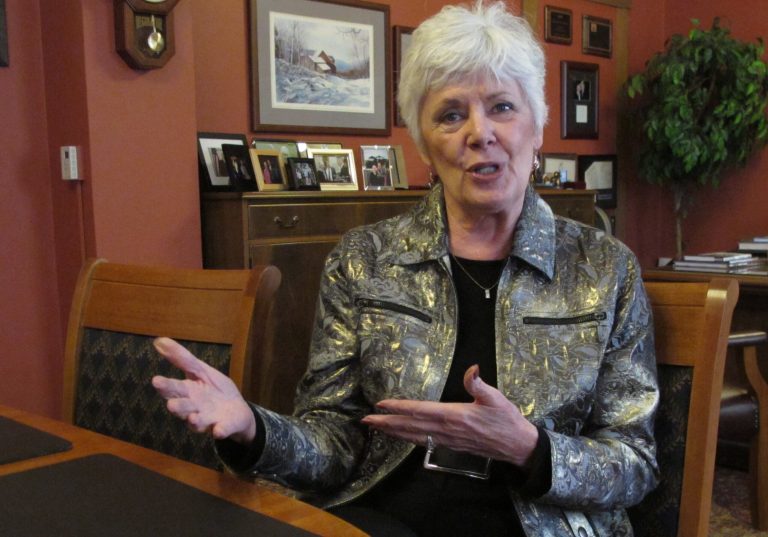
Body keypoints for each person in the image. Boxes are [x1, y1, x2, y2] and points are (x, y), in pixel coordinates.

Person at [152, 2, 659, 536]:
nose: (479, 132)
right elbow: (334, 442)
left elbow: (635, 464)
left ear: (537, 130)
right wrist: (252, 428)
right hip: (381, 518)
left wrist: (529, 449)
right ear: (424, 145)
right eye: (450, 114)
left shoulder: (604, 269)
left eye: (503, 107)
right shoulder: (365, 260)